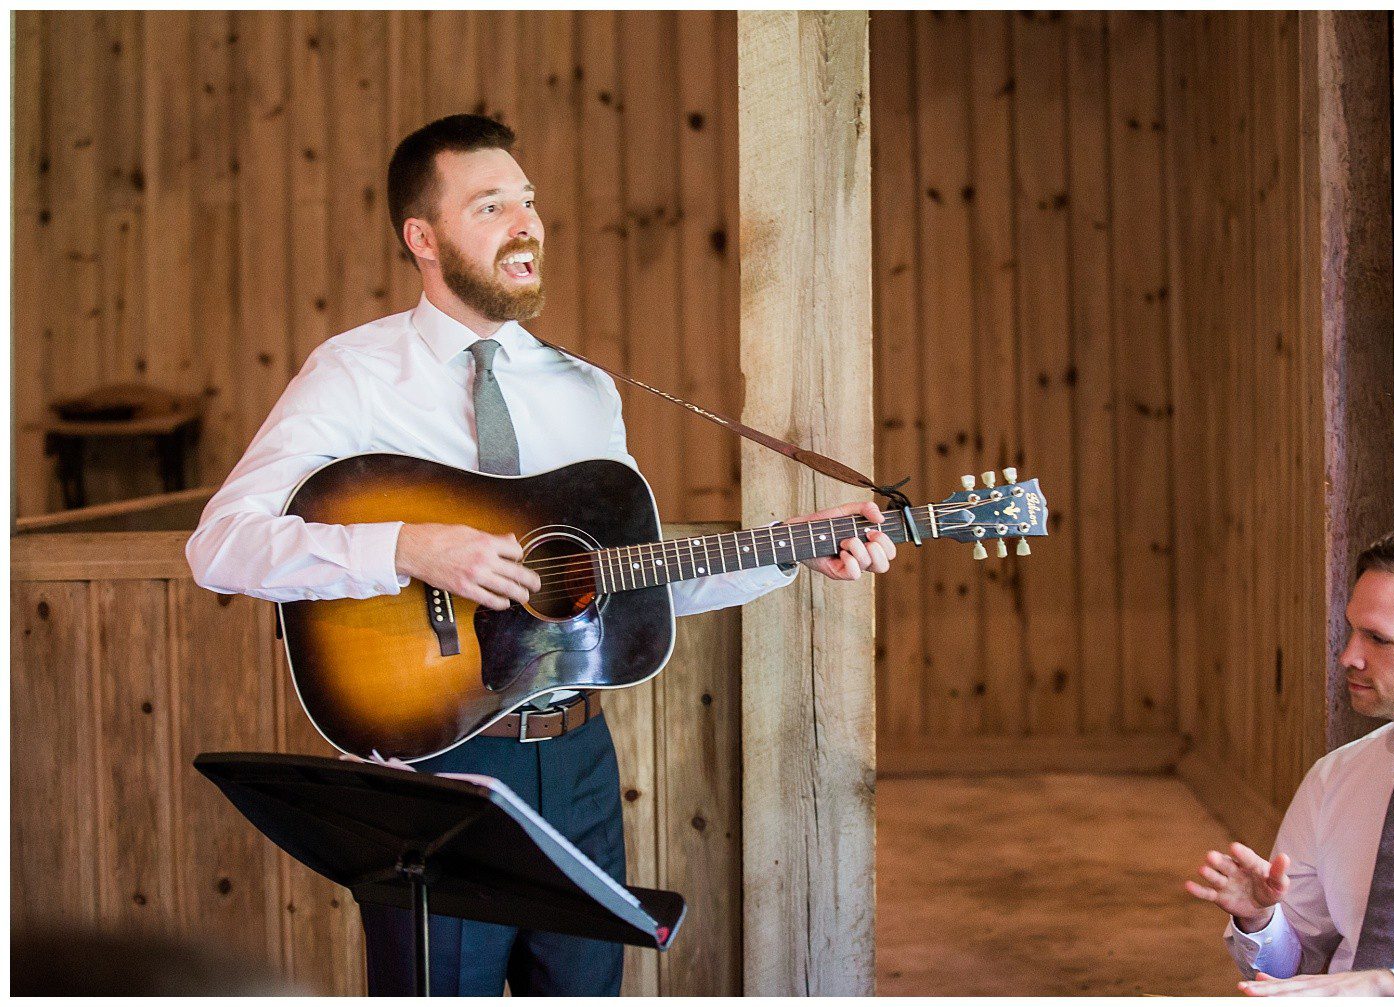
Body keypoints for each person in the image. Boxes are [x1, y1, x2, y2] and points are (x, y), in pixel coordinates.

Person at [185, 113, 897, 996]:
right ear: (424, 238)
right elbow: (220, 544)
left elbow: (627, 577)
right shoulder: (354, 375)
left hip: (577, 762)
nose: (527, 223)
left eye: (527, 201)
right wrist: (409, 546)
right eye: (491, 206)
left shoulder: (584, 390)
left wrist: (791, 552)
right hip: (433, 775)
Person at [1185, 526, 1394, 997]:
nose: (1348, 656)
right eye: (1352, 630)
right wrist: (1260, 918)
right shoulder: (1336, 776)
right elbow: (1295, 970)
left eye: (1379, 640)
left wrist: (1387, 988)